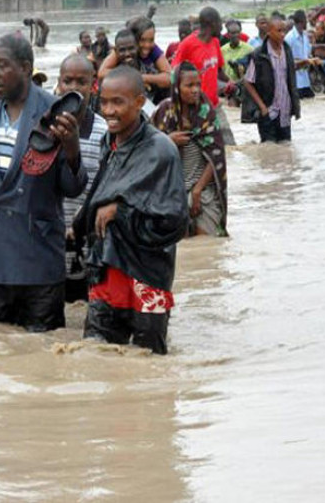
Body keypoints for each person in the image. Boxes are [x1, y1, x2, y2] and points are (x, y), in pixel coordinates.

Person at [0, 33, 86, 332]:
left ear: (25, 68)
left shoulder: (55, 111)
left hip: (36, 255)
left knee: (41, 355)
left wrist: (72, 148)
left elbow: (73, 187)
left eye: (2, 65)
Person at [76, 66, 188, 355]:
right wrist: (79, 226)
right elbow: (100, 191)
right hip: (109, 261)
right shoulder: (108, 143)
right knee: (96, 351)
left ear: (139, 102)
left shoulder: (161, 150)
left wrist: (121, 212)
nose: (109, 111)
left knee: (149, 357)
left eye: (118, 102)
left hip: (148, 272)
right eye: (104, 102)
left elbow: (174, 221)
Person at [152, 63, 228, 237]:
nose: (196, 90)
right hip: (171, 192)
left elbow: (216, 155)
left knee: (206, 248)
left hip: (204, 190)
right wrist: (168, 141)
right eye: (189, 85)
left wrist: (197, 190)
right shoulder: (163, 112)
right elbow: (147, 149)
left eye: (198, 85)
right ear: (176, 87)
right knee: (180, 244)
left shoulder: (207, 112)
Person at [57, 54, 108, 303]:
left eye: (81, 82)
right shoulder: (45, 129)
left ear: (93, 85)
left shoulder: (104, 132)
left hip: (90, 241)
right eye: (68, 81)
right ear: (59, 83)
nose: (74, 88)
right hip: (53, 242)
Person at [172, 6, 236, 146]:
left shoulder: (215, 43)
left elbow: (218, 70)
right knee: (201, 146)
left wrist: (230, 82)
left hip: (214, 105)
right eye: (220, 24)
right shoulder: (188, 44)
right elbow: (175, 73)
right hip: (195, 108)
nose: (222, 28)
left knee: (230, 146)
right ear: (212, 24)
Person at [243, 15, 301, 143]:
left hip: (285, 111)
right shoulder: (259, 55)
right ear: (269, 32)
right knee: (268, 150)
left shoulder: (287, 50)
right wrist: (263, 107)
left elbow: (288, 74)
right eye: (279, 31)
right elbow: (248, 82)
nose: (283, 34)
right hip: (268, 113)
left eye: (284, 31)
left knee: (285, 150)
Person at [99, 18, 171, 106]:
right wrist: (131, 76)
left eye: (151, 40)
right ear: (134, 40)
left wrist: (141, 77)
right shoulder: (123, 49)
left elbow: (169, 77)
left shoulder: (154, 49)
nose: (147, 45)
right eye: (142, 40)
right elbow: (102, 73)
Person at [285, 9, 319, 99]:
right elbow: (286, 59)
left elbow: (308, 53)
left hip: (305, 80)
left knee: (311, 99)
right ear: (302, 22)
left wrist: (313, 60)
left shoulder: (305, 36)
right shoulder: (289, 38)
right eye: (305, 21)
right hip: (295, 81)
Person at [220, 19, 254, 108]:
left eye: (237, 32)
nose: (235, 35)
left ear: (240, 33)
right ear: (228, 34)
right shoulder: (222, 50)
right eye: (232, 33)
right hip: (228, 87)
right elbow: (220, 70)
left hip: (245, 87)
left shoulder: (249, 49)